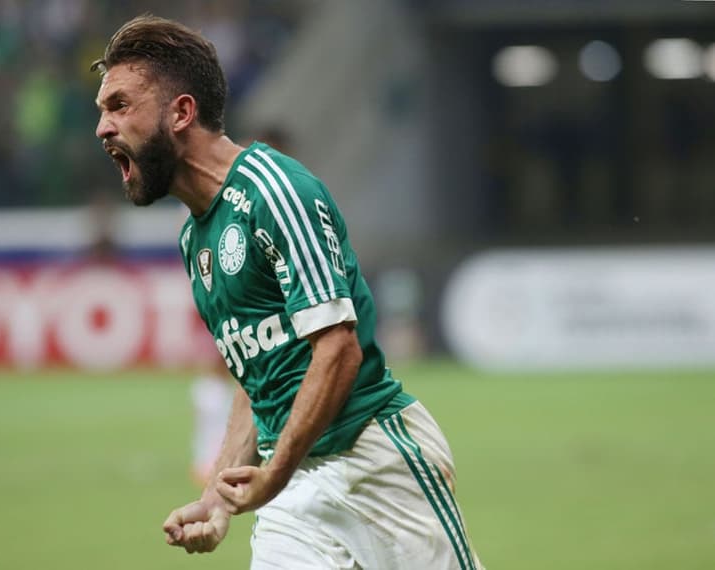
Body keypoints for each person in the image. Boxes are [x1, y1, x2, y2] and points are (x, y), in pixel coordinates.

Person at [91, 15, 482, 569]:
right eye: (103, 111)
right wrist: (217, 499)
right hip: (293, 491)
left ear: (181, 112)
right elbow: (259, 376)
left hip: (374, 463)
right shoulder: (194, 236)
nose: (103, 127)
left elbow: (337, 348)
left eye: (120, 106)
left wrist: (272, 475)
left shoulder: (275, 191)